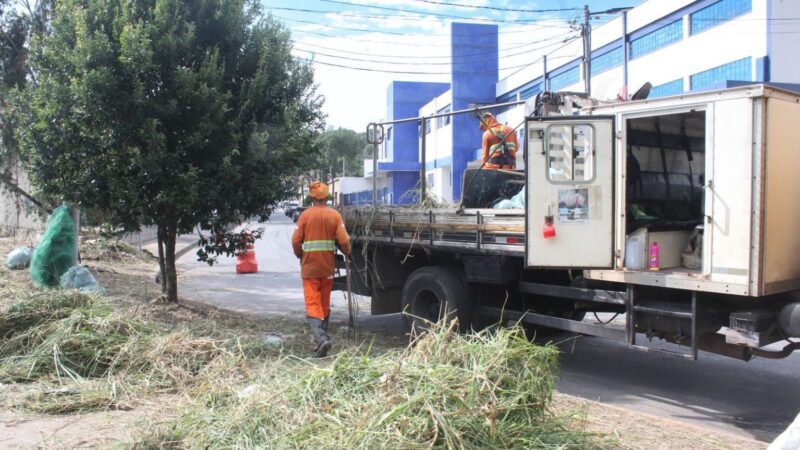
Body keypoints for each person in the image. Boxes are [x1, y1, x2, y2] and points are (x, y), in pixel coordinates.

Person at [291, 181, 351, 357]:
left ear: (311, 197)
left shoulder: (305, 216)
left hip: (309, 268)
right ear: (327, 197)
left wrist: (300, 255)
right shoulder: (334, 216)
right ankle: (322, 340)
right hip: (327, 269)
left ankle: (321, 339)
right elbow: (345, 241)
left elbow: (295, 241)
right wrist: (347, 253)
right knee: (323, 303)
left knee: (312, 303)